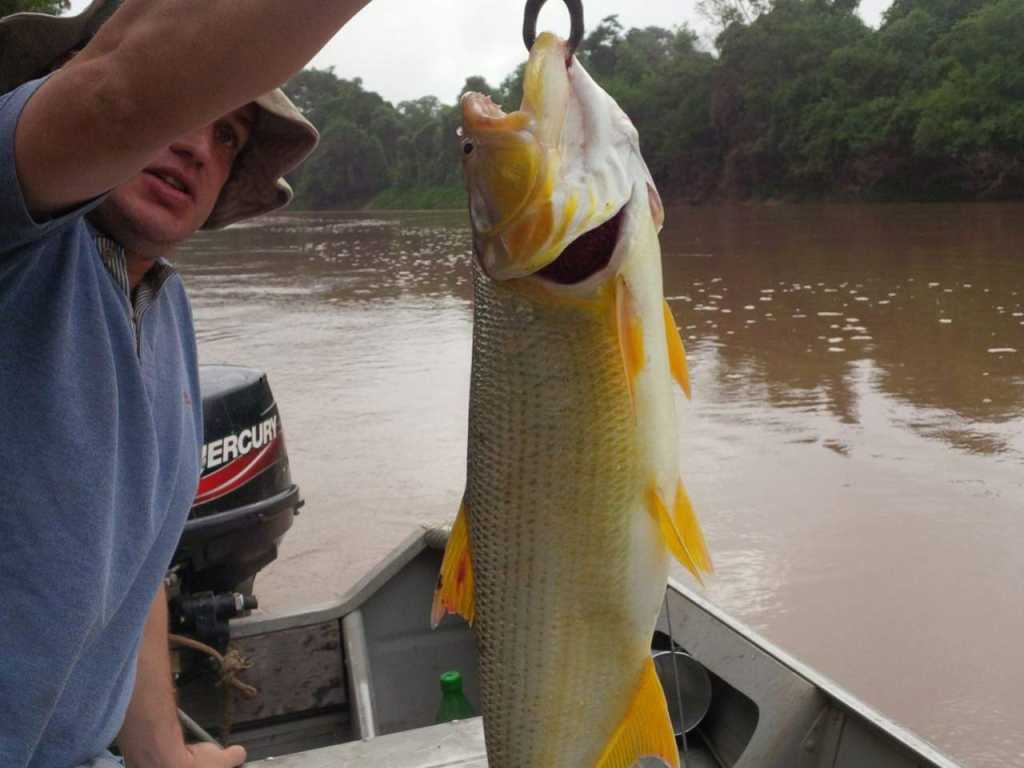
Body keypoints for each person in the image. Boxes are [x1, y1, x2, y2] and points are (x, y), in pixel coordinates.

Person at [0, 0, 372, 765]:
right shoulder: (14, 224)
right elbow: (122, 96)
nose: (197, 143)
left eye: (228, 134)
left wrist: (164, 753)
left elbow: (125, 578)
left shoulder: (165, 311)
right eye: (191, 103)